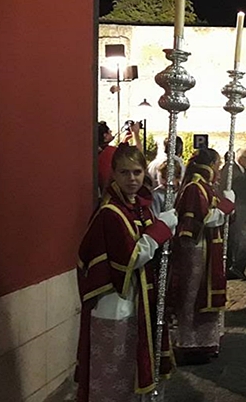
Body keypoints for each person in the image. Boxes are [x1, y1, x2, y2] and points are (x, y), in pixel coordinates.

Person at [75, 143, 178, 402]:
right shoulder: (110, 213)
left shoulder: (139, 207)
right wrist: (161, 229)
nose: (131, 179)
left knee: (133, 368)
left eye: (136, 172)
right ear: (113, 174)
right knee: (115, 373)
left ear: (145, 172)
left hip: (140, 300)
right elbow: (132, 256)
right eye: (124, 173)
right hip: (115, 303)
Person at [170, 148, 235, 365]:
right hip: (196, 250)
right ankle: (189, 344)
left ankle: (206, 342)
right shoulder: (194, 188)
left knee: (202, 294)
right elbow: (204, 219)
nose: (218, 169)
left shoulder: (206, 187)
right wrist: (226, 206)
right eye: (217, 164)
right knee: (193, 295)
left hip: (208, 247)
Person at [220, 148, 246, 279]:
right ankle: (235, 266)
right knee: (239, 238)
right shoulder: (232, 171)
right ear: (240, 158)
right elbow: (239, 188)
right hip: (239, 209)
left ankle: (240, 266)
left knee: (245, 238)